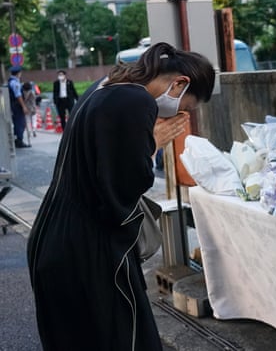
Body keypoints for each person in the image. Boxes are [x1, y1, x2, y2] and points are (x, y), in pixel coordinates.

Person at [27, 42, 216, 351]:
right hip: (88, 252)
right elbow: (120, 192)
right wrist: (151, 145)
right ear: (180, 83)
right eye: (186, 107)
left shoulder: (102, 90)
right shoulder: (135, 101)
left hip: (54, 240)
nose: (180, 114)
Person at [7, 65, 30, 148]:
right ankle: (19, 140)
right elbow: (18, 96)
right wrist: (24, 106)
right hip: (17, 106)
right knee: (20, 123)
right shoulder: (15, 83)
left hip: (14, 105)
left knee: (19, 123)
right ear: (18, 73)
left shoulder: (12, 81)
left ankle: (17, 139)